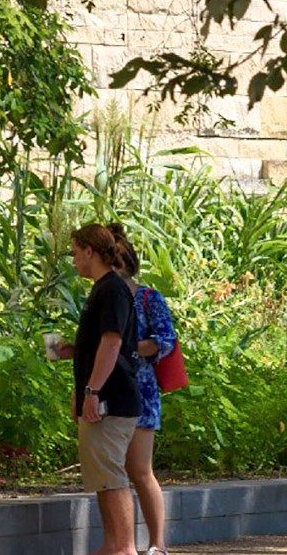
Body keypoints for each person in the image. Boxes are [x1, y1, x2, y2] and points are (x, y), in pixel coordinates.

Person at [50, 223, 144, 555]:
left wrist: (92, 391)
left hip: (111, 399)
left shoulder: (112, 289)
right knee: (102, 476)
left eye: (75, 253)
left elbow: (113, 341)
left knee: (111, 474)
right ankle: (113, 544)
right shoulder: (102, 289)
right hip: (104, 396)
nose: (74, 261)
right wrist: (75, 352)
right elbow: (102, 342)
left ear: (90, 251)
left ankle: (124, 548)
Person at [117, 226, 178, 555]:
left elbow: (166, 341)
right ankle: (122, 544)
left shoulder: (147, 297)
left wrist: (130, 349)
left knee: (140, 470)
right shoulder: (102, 298)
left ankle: (158, 544)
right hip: (109, 391)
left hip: (141, 390)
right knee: (115, 473)